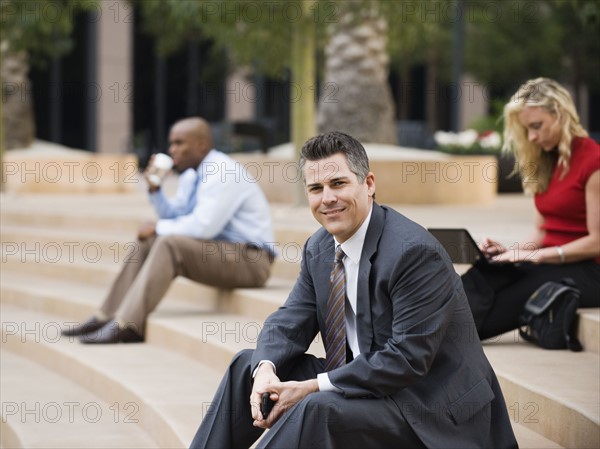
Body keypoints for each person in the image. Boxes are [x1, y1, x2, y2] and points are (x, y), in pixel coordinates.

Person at [189, 131, 518, 448]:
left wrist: (314, 387)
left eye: (338, 183)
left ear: (369, 184)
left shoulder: (414, 253)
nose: (327, 198)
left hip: (427, 406)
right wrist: (265, 370)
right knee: (248, 366)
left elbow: (406, 359)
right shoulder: (319, 247)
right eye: (316, 188)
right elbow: (290, 318)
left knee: (316, 408)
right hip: (366, 384)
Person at [61, 117, 275, 344]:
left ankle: (128, 325)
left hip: (252, 261)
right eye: (171, 143)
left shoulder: (223, 171)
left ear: (202, 145)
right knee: (152, 240)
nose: (172, 149)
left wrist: (158, 227)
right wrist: (155, 189)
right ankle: (106, 316)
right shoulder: (192, 174)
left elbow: (204, 226)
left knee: (168, 242)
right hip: (220, 253)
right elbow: (175, 217)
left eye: (179, 143)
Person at [462, 77, 600, 340]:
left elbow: (597, 242)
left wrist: (540, 256)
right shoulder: (546, 162)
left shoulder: (593, 161)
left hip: (591, 270)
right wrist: (514, 253)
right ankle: (412, 327)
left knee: (509, 298)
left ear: (561, 115)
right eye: (528, 130)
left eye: (537, 126)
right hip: (553, 262)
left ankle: (442, 337)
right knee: (486, 272)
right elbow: (541, 230)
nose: (533, 137)